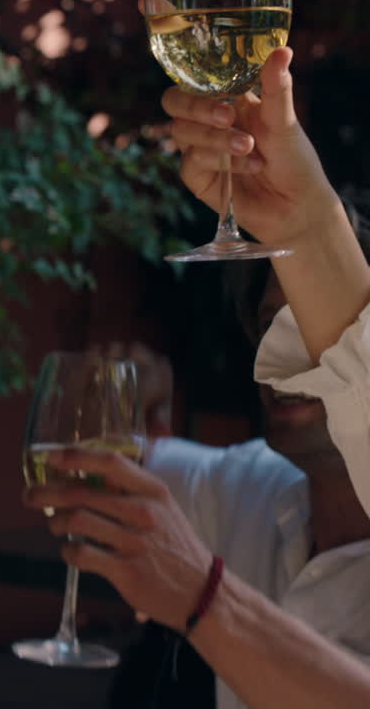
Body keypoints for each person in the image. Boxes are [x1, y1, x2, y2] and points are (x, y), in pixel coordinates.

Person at [26, 46, 370, 709]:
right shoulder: (252, 489)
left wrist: (202, 595)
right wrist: (125, 409)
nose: (285, 355)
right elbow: (100, 464)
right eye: (276, 327)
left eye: (310, 326)